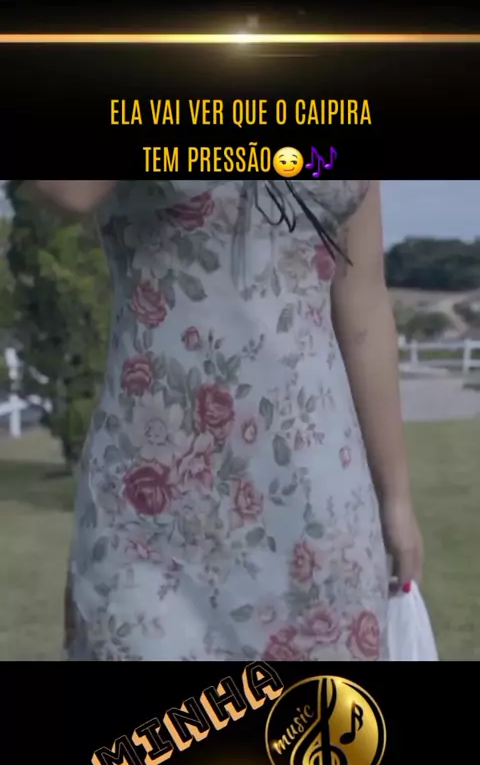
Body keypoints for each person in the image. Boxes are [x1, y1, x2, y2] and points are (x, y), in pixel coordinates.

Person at [30, 179, 424, 661]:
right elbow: (67, 191)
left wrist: (396, 498)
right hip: (152, 511)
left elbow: (362, 304)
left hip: (319, 503)